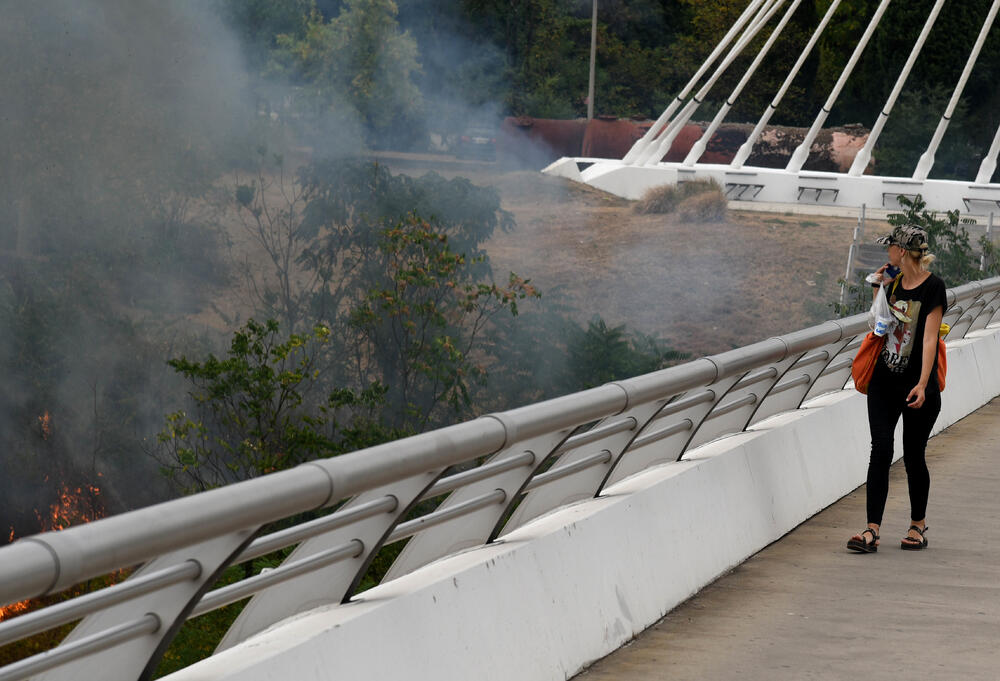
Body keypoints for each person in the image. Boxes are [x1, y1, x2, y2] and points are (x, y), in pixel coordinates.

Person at [847, 224, 947, 553]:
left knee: (914, 455)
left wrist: (922, 383)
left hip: (917, 386)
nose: (887, 251)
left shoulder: (934, 288)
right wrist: (880, 285)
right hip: (884, 380)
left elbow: (930, 337)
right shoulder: (892, 283)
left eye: (890, 247)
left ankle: (918, 525)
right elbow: (878, 324)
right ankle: (871, 529)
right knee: (881, 450)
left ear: (901, 251)